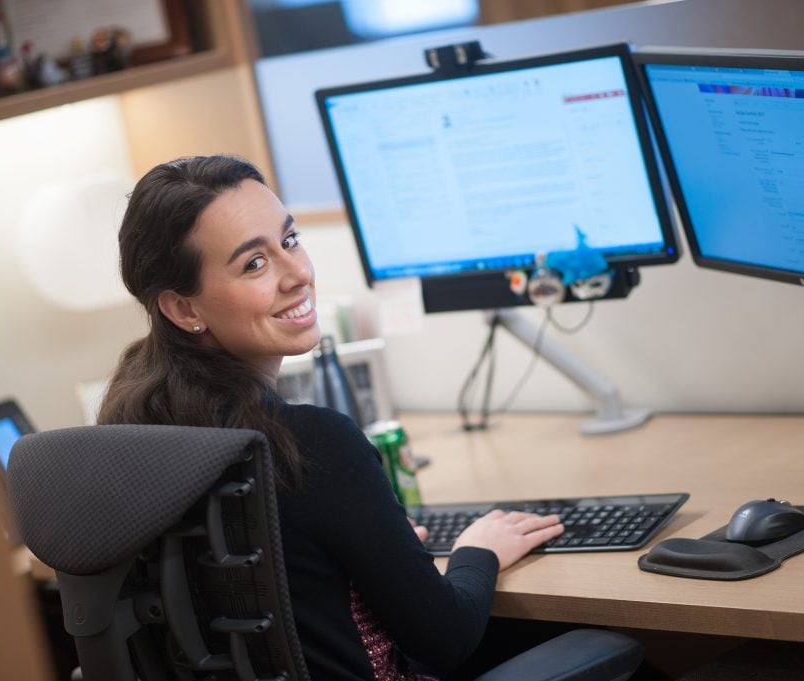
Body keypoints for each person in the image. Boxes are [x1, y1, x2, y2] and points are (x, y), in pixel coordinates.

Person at [99, 155, 564, 680]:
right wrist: (477, 552)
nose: (297, 273)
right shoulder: (309, 444)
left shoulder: (130, 438)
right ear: (185, 310)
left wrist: (372, 549)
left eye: (289, 240)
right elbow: (447, 637)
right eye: (254, 263)